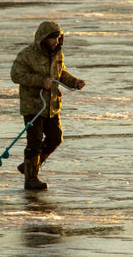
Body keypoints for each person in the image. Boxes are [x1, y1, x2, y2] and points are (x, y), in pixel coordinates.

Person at [11, 21, 86, 190]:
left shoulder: (58, 54)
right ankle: (31, 179)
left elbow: (61, 73)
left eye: (58, 38)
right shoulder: (27, 55)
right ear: (43, 38)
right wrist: (39, 81)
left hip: (52, 105)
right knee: (35, 142)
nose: (56, 41)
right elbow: (16, 75)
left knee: (55, 138)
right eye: (53, 38)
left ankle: (28, 167)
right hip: (33, 106)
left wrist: (75, 82)